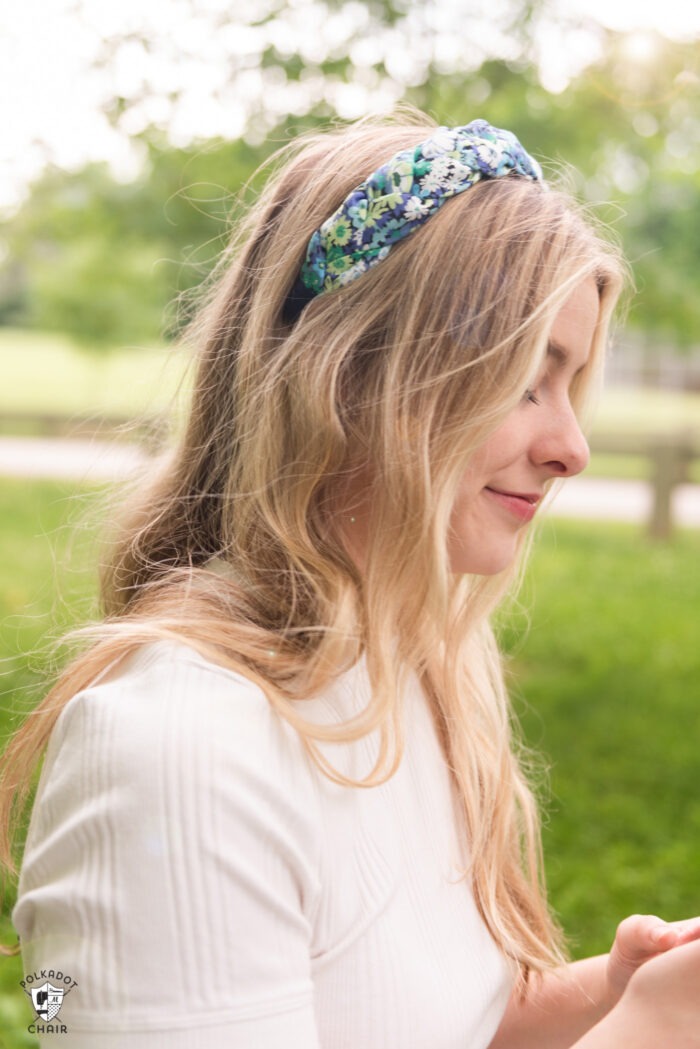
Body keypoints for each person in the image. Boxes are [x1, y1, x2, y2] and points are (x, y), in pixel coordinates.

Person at [1, 107, 699, 1049]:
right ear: (350, 378)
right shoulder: (180, 752)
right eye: (528, 377)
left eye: (571, 387)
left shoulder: (408, 670)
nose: (571, 447)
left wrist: (610, 997)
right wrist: (648, 1035)